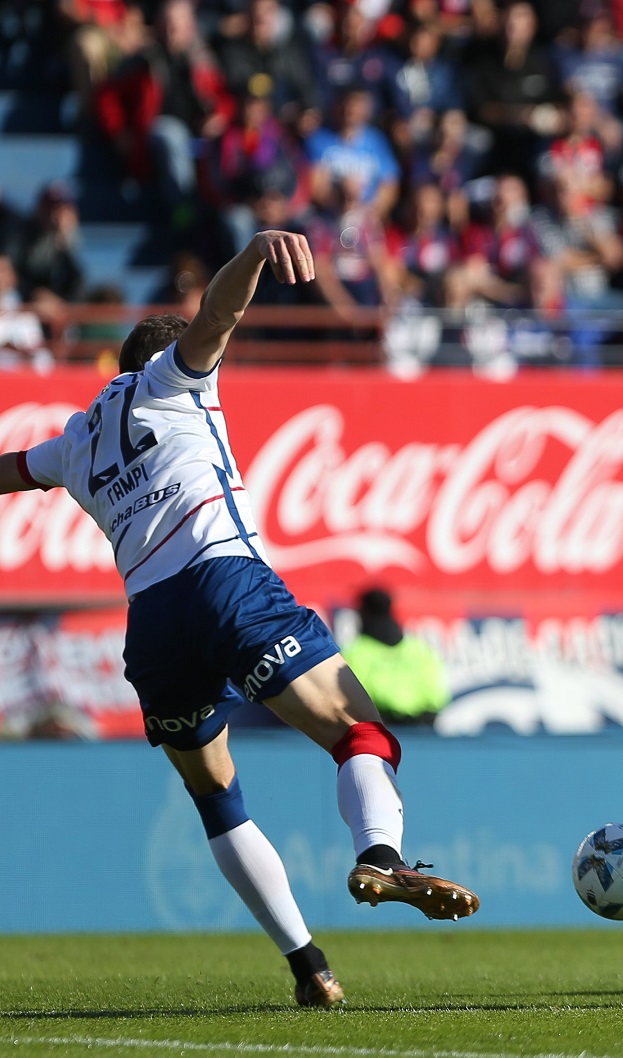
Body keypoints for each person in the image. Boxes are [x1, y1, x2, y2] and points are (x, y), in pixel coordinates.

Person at [0, 231, 479, 1009]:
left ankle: (307, 965)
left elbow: (7, 471)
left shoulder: (74, 442)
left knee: (217, 798)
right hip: (223, 577)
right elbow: (216, 318)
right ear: (165, 356)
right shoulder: (171, 379)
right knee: (360, 732)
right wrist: (255, 252)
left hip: (151, 626)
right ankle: (382, 856)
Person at [342, 588, 451, 726]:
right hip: (423, 731)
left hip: (379, 731)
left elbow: (352, 699)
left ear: (362, 613)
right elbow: (437, 695)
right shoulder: (419, 649)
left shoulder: (355, 652)